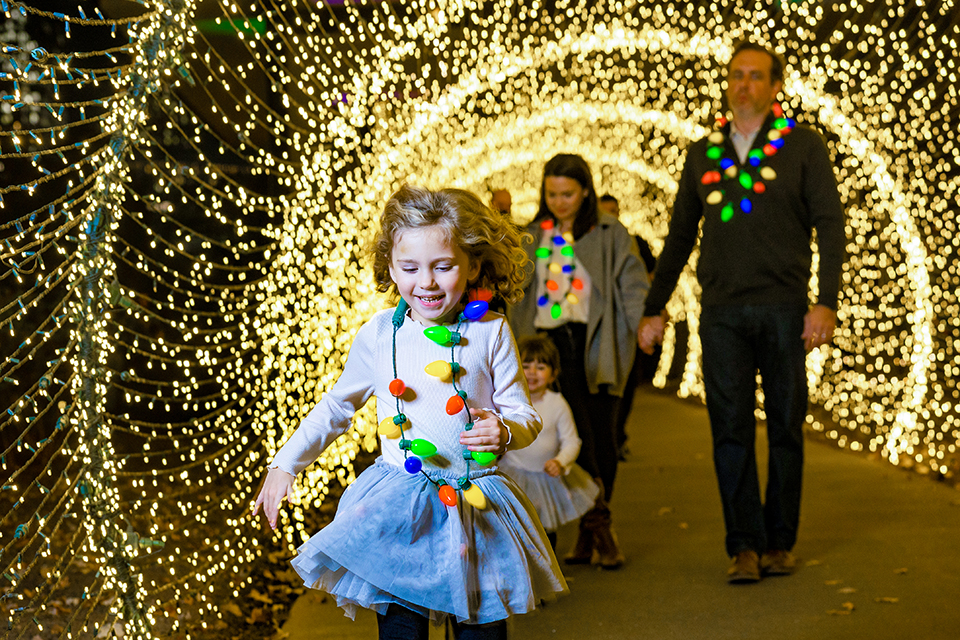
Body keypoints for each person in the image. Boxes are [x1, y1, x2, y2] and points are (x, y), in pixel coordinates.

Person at [252, 185, 567, 639]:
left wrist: (504, 430)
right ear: (391, 268)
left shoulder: (491, 331)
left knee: (482, 630)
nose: (427, 282)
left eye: (443, 266)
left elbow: (525, 413)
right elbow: (338, 405)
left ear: (473, 265)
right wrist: (287, 462)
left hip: (475, 505)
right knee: (402, 630)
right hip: (401, 507)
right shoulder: (380, 334)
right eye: (410, 268)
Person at [638, 41, 846, 584]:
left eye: (755, 76)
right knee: (728, 429)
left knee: (784, 428)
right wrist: (655, 308)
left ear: (777, 86)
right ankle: (744, 546)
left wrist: (825, 301)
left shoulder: (803, 146)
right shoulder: (704, 152)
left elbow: (829, 223)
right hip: (723, 312)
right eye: (735, 75)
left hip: (783, 309)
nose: (743, 84)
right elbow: (681, 235)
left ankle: (780, 542)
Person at [508, 153, 649, 569]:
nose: (559, 201)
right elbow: (511, 284)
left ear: (585, 191)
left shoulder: (610, 233)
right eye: (551, 193)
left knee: (601, 439)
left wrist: (642, 327)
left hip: (595, 344)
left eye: (567, 193)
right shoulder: (532, 235)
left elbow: (632, 285)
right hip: (545, 347)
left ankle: (591, 529)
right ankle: (598, 529)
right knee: (561, 436)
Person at [498, 335, 600, 552]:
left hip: (546, 479)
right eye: (525, 366)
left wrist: (561, 461)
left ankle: (548, 567)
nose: (533, 372)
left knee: (545, 529)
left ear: (553, 373)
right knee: (514, 527)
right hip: (512, 474)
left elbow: (572, 440)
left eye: (541, 366)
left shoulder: (558, 404)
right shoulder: (507, 402)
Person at [597, 194, 659, 459]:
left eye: (614, 209)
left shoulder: (632, 242)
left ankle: (616, 436)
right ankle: (608, 440)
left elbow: (650, 275)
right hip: (601, 328)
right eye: (605, 210)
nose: (610, 215)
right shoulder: (591, 241)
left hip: (625, 326)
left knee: (624, 386)